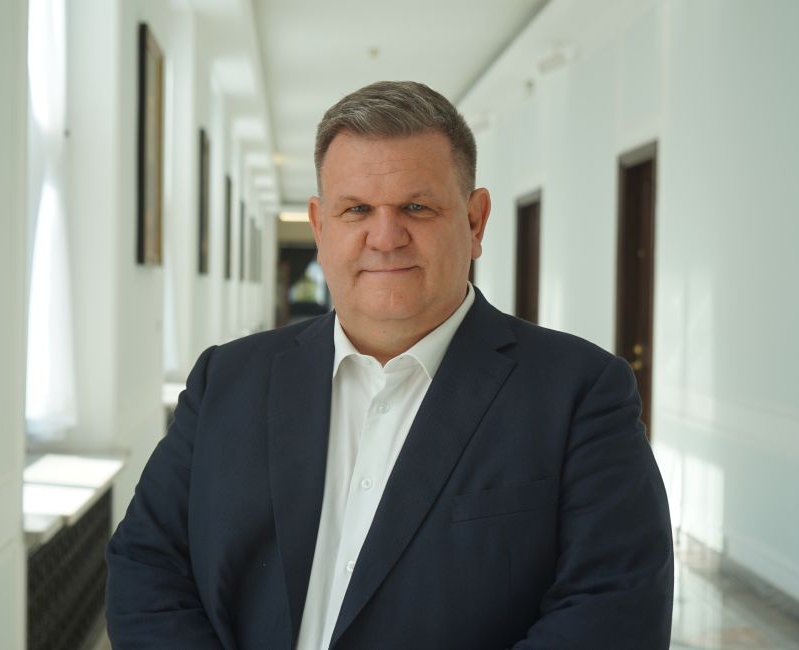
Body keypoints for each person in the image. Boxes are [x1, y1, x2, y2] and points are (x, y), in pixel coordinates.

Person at [105, 80, 674, 649]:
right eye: (357, 209)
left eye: (416, 208)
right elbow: (147, 564)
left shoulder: (579, 394)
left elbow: (612, 612)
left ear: (475, 221)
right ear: (320, 226)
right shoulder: (226, 381)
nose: (384, 237)